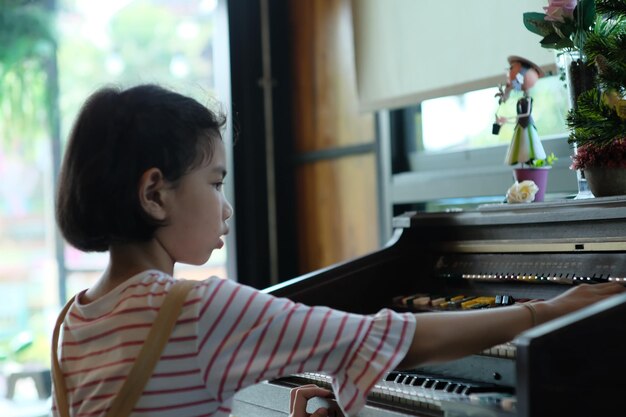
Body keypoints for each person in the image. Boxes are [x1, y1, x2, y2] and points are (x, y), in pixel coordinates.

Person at [52, 83, 625, 417]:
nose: (226, 208)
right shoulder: (195, 311)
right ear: (155, 193)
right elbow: (392, 337)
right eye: (217, 182)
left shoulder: (70, 324)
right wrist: (549, 311)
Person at [495, 56, 547, 166]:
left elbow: (526, 114)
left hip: (527, 124)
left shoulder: (527, 100)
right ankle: (524, 168)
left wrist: (508, 119)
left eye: (512, 68)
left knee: (529, 146)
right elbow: (519, 115)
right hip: (521, 125)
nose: (510, 71)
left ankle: (530, 165)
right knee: (521, 148)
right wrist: (506, 120)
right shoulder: (520, 100)